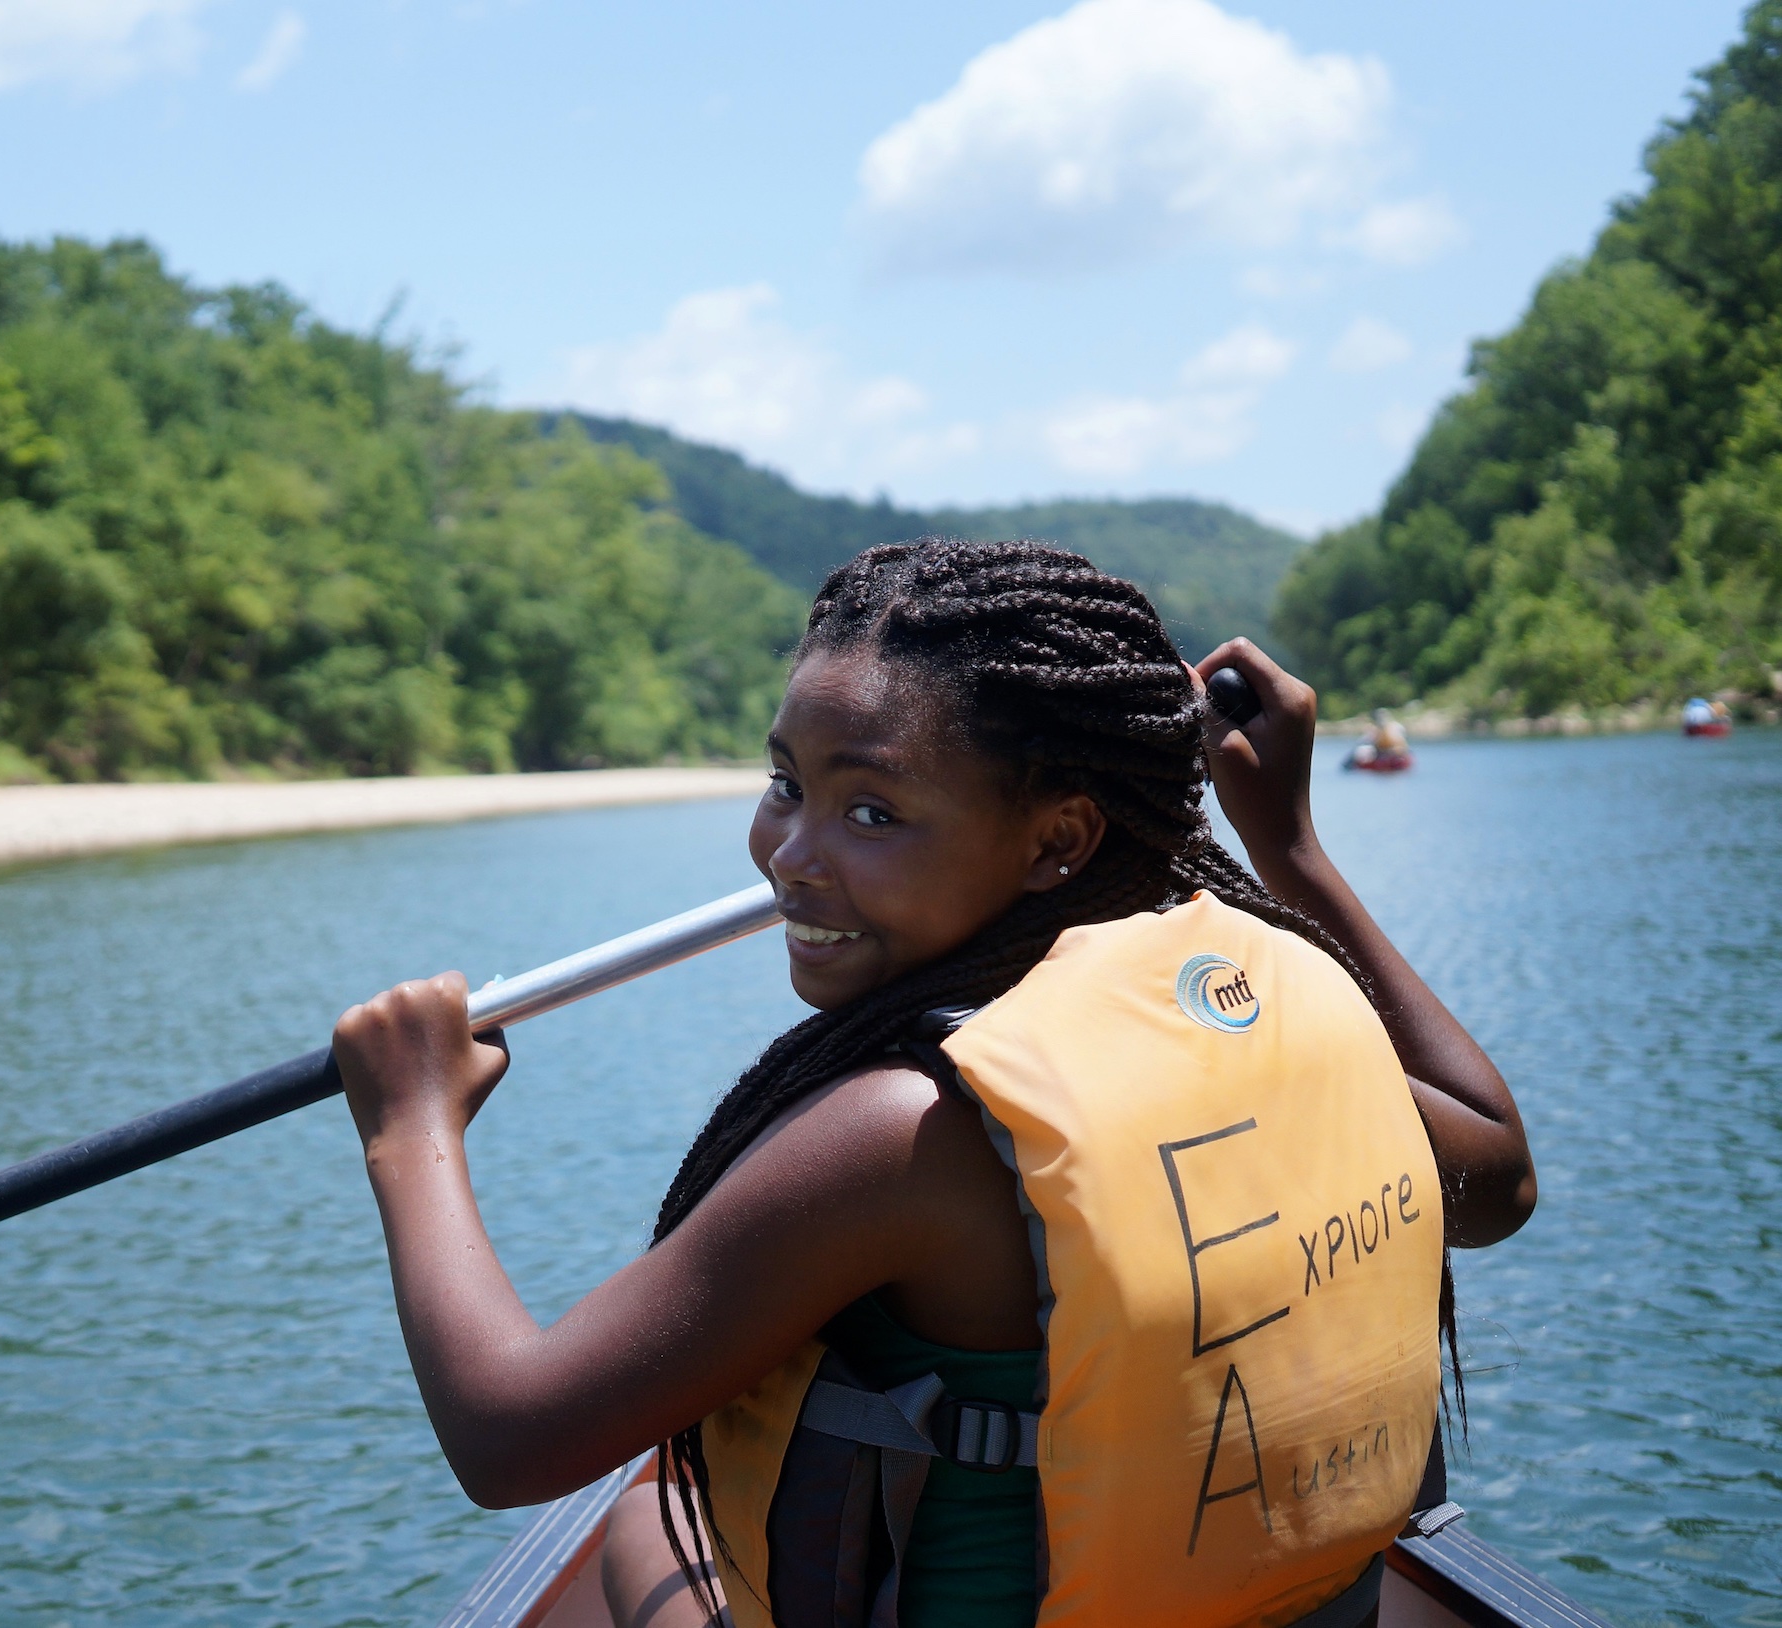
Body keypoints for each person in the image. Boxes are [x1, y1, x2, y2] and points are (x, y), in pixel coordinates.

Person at [332, 541, 1535, 1628]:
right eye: (785, 784)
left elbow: (508, 1434)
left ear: (1057, 840)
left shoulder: (904, 1133)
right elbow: (1494, 1172)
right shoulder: (1266, 1008)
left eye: (871, 809)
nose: (790, 859)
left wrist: (409, 1127)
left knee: (648, 1507)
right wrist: (1291, 848)